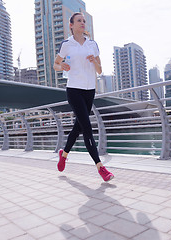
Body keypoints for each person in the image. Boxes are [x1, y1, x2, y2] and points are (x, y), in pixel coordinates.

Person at [53, 12, 114, 182]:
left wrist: (94, 61)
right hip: (74, 90)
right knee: (87, 128)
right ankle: (100, 167)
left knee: (78, 127)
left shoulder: (92, 45)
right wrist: (62, 66)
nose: (82, 23)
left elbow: (100, 70)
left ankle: (63, 155)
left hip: (90, 90)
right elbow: (55, 64)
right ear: (71, 25)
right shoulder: (67, 45)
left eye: (84, 21)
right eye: (79, 21)